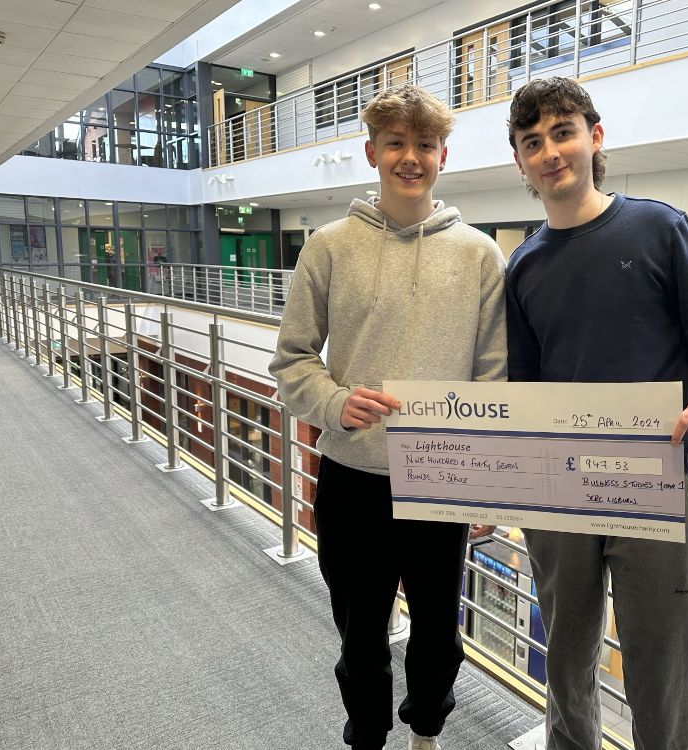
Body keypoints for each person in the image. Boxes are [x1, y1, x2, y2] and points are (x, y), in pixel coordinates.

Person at [505, 77, 688, 750]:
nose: (550, 151)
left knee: (664, 669)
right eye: (533, 142)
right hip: (558, 489)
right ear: (521, 162)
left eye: (563, 132)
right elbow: (523, 388)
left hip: (652, 479)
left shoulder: (659, 227)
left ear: (594, 137)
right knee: (566, 662)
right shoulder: (522, 265)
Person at [269, 84, 506, 750]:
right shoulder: (329, 247)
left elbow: (494, 378)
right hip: (353, 478)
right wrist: (337, 403)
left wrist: (485, 478)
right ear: (372, 152)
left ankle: (426, 729)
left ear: (443, 155)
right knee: (360, 634)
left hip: (442, 481)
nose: (411, 157)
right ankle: (366, 735)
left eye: (424, 145)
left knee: (438, 633)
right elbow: (291, 364)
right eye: (397, 143)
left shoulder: (481, 256)